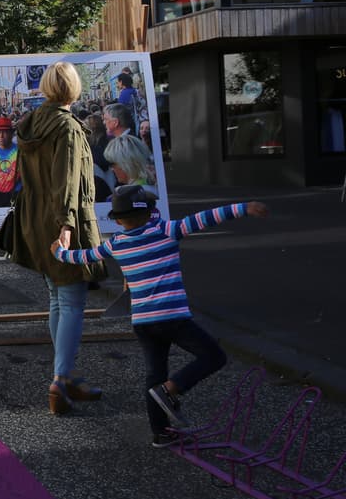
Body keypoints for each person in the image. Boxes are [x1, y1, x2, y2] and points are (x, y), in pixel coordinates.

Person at [52, 186, 269, 447]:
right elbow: (207, 217)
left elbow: (83, 256)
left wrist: (59, 251)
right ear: (150, 213)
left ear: (118, 219)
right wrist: (244, 208)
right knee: (213, 356)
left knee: (154, 374)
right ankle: (172, 388)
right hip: (172, 317)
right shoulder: (167, 230)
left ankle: (160, 433)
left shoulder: (116, 243)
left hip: (143, 322)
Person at [11, 61, 107, 416]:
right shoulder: (66, 127)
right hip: (62, 220)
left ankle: (63, 374)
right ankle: (61, 379)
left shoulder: (31, 122)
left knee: (57, 297)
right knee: (70, 301)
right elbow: (66, 181)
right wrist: (66, 227)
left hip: (36, 218)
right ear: (74, 87)